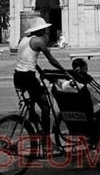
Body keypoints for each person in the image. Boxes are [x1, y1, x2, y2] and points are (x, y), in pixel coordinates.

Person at [14, 16, 70, 150]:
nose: (45, 31)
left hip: (17, 76)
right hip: (28, 77)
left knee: (33, 101)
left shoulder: (23, 40)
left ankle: (33, 117)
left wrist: (39, 70)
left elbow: (28, 59)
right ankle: (46, 142)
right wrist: (65, 71)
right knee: (46, 106)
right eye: (44, 29)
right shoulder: (39, 41)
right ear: (39, 30)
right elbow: (51, 60)